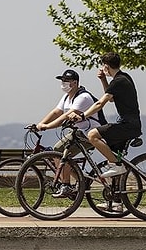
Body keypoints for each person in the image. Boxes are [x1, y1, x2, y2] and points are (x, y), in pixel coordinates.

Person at [68, 52, 142, 178]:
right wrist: (103, 80)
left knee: (92, 135)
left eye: (103, 65)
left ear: (106, 66)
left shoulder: (118, 81)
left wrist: (82, 116)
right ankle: (117, 178)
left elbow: (100, 104)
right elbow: (112, 98)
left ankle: (117, 165)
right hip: (130, 124)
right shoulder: (123, 78)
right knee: (113, 153)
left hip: (128, 125)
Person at [35, 69, 102, 198]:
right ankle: (80, 180)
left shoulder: (83, 97)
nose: (63, 83)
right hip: (78, 132)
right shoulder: (67, 97)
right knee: (62, 154)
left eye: (66, 81)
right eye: (62, 80)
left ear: (75, 83)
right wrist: (40, 124)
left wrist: (47, 126)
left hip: (90, 133)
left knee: (59, 151)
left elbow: (66, 116)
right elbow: (56, 112)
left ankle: (66, 185)